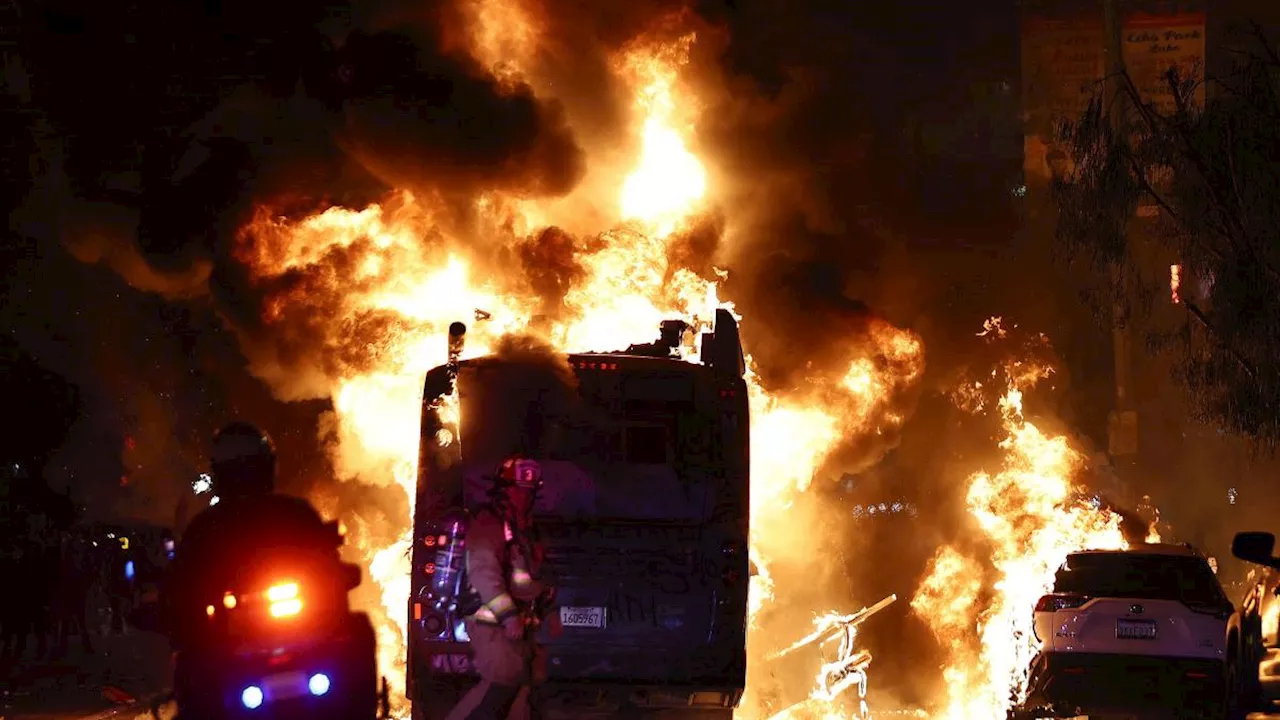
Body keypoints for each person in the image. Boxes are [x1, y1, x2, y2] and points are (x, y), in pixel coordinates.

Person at [162, 422, 339, 711]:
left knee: (354, 636)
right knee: (190, 666)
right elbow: (181, 591)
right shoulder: (206, 528)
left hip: (304, 635)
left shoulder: (296, 515)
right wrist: (172, 613)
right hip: (228, 646)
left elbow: (331, 573)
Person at [447, 455, 559, 720]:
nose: (525, 497)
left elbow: (536, 576)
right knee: (502, 685)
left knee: (521, 700)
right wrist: (508, 615)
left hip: (521, 627)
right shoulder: (489, 523)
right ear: (504, 491)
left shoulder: (527, 530)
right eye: (519, 490)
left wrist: (550, 610)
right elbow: (484, 574)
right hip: (492, 623)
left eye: (530, 491)